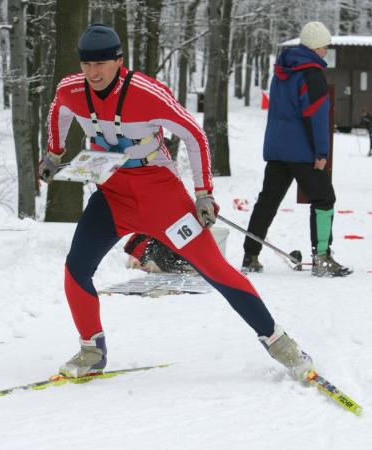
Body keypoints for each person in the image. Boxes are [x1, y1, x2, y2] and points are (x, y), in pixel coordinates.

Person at [39, 23, 313, 380]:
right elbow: (58, 109)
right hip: (112, 195)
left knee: (215, 269)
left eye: (101, 65)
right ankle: (91, 350)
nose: (93, 73)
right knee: (76, 268)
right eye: (86, 65)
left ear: (119, 61)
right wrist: (54, 153)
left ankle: (279, 344)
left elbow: (194, 134)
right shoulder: (72, 89)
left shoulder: (147, 92)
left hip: (162, 199)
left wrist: (203, 194)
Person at [242, 21, 352, 278]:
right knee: (324, 198)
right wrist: (322, 153)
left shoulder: (282, 70)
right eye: (324, 47)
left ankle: (250, 255)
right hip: (301, 150)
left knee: (268, 200)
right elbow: (318, 116)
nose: (326, 51)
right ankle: (322, 258)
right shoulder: (311, 74)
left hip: (277, 148)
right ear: (316, 47)